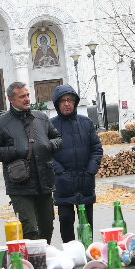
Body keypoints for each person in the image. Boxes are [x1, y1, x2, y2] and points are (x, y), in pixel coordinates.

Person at [0, 81, 63, 241]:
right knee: (30, 230)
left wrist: (48, 145)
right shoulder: (1, 123)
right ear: (11, 100)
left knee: (47, 228)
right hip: (20, 185)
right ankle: (32, 263)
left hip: (44, 182)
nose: (26, 99)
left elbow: (58, 139)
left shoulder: (41, 117)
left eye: (27, 95)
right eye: (22, 96)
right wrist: (15, 150)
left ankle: (43, 261)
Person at [49, 83, 102, 243]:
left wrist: (91, 170)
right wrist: (59, 171)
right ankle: (70, 252)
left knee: (86, 222)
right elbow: (46, 153)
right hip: (63, 182)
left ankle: (88, 251)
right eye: (63, 100)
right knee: (65, 220)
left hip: (85, 180)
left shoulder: (86, 123)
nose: (67, 103)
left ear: (75, 102)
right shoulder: (50, 125)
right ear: (57, 104)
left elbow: (97, 149)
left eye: (70, 100)